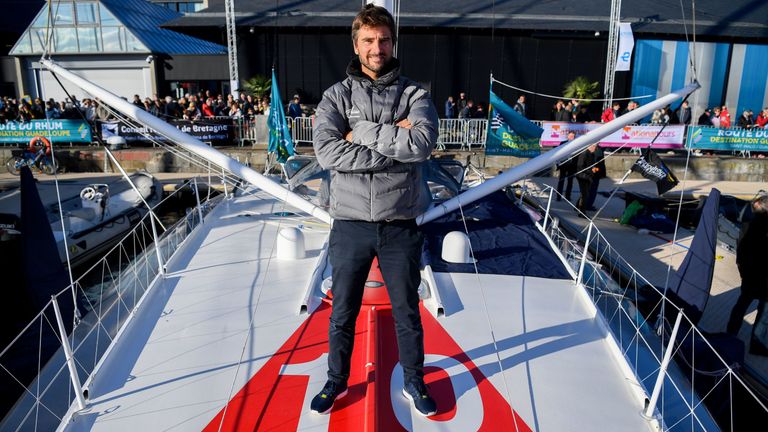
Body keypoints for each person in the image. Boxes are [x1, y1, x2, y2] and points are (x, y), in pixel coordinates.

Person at [312, 4, 438, 416]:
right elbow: (329, 153)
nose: (376, 48)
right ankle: (335, 381)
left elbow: (420, 146)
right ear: (356, 44)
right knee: (342, 312)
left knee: (407, 312)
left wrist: (361, 132)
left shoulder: (415, 94)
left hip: (399, 224)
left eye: (383, 39)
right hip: (349, 224)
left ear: (392, 42)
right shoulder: (335, 95)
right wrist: (392, 148)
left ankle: (414, 383)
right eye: (368, 40)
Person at [726, 195, 768, 355]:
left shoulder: (747, 225)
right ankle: (757, 345)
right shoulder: (752, 225)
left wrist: (743, 274)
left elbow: (740, 254)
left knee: (741, 305)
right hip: (763, 278)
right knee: (764, 313)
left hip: (750, 276)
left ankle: (730, 335)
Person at [575, 143, 599, 213]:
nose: (595, 148)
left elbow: (591, 164)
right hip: (583, 176)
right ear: (589, 146)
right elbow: (580, 167)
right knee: (585, 195)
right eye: (594, 146)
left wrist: (594, 168)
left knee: (585, 193)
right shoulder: (584, 154)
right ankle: (582, 212)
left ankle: (577, 207)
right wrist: (590, 170)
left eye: (595, 146)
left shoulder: (592, 154)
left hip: (588, 176)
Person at [555, 132, 576, 202]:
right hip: (563, 165)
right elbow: (558, 153)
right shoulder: (562, 143)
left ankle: (568, 196)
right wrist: (558, 164)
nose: (571, 137)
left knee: (570, 182)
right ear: (567, 136)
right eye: (570, 136)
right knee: (561, 181)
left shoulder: (577, 143)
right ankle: (558, 196)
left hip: (572, 165)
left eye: (573, 136)